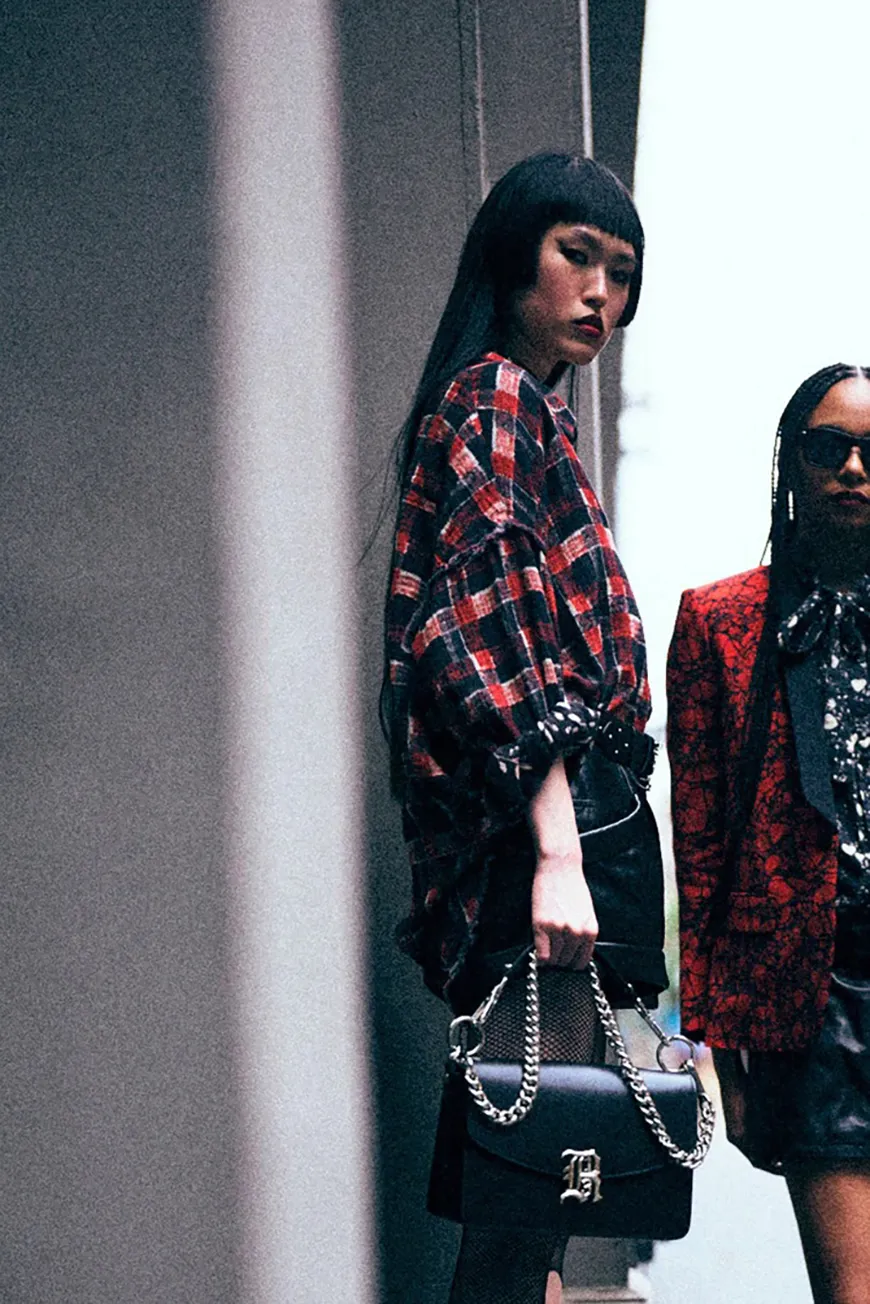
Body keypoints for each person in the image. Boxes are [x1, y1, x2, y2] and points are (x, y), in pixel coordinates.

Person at [384, 152, 666, 1304]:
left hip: (554, 849)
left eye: (622, 272)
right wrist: (557, 852)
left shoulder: (531, 414)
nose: (601, 291)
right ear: (514, 259)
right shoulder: (496, 398)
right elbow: (488, 639)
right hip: (540, 850)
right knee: (518, 1206)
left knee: (539, 1197)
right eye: (576, 255)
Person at [668, 363, 870, 1304]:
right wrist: (720, 1051)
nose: (854, 469)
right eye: (830, 448)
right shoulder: (721, 623)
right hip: (812, 1002)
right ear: (792, 462)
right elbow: (700, 850)